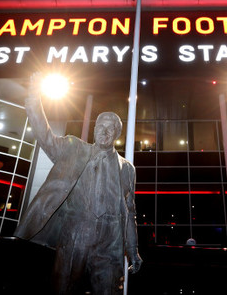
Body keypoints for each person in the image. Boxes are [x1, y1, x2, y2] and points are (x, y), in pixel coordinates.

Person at [14, 73, 142, 294]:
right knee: (63, 289)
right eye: (100, 125)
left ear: (117, 134)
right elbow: (44, 136)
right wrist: (34, 98)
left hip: (111, 243)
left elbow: (129, 212)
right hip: (74, 235)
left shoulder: (127, 168)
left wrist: (133, 249)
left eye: (110, 127)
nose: (104, 130)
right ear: (94, 128)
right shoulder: (73, 149)